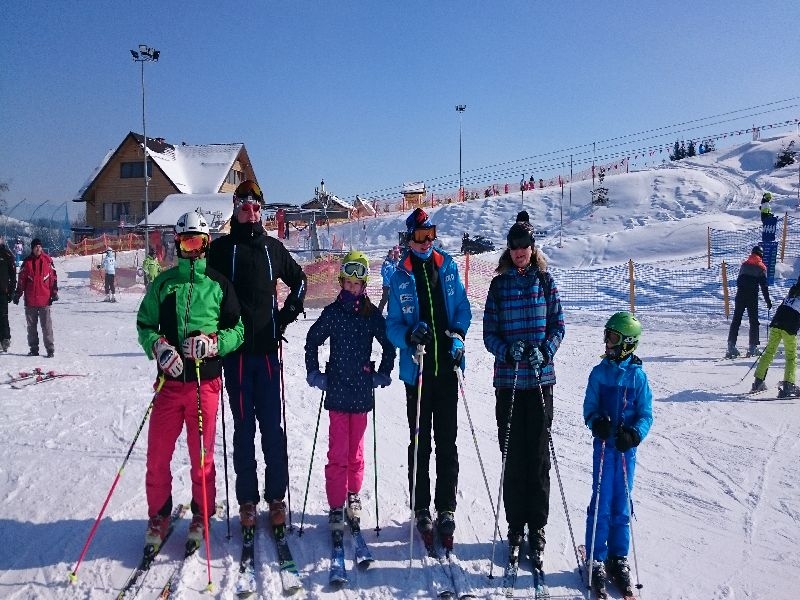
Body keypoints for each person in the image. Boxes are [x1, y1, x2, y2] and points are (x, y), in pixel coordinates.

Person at [136, 210, 244, 553]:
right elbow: (145, 324)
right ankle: (159, 515)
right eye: (185, 242)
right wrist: (157, 346)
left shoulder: (218, 285)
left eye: (197, 242)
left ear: (206, 244)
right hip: (169, 386)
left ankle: (202, 513)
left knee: (202, 458)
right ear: (177, 244)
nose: (191, 249)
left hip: (203, 385)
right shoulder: (164, 284)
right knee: (157, 455)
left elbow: (238, 330)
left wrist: (213, 344)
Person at [207, 179, 307, 536]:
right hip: (234, 356)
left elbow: (300, 281)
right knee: (243, 429)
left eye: (255, 208)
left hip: (266, 354)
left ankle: (276, 498)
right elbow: (202, 289)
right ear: (235, 209)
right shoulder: (220, 249)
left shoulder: (272, 248)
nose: (250, 213)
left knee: (271, 428)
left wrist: (286, 315)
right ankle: (247, 500)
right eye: (244, 207)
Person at [386, 207, 472, 548]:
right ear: (410, 239)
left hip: (446, 370)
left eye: (431, 234)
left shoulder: (447, 266)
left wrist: (458, 336)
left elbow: (463, 308)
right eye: (421, 236)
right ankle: (421, 507)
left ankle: (446, 507)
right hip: (418, 373)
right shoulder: (400, 277)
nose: (426, 242)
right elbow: (392, 325)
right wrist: (409, 336)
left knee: (447, 443)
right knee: (420, 444)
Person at [482, 221, 565, 561]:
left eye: (524, 246)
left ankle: (537, 525)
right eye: (514, 247)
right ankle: (516, 524)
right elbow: (489, 334)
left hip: (540, 381)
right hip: (510, 382)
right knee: (513, 456)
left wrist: (545, 350)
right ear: (509, 249)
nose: (519, 252)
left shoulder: (545, 282)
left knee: (538, 457)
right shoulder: (499, 285)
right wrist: (506, 351)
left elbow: (558, 325)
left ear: (532, 248)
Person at [304, 251, 395, 531]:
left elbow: (388, 344)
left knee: (355, 452)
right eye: (348, 283)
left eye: (357, 284)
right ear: (342, 282)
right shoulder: (333, 313)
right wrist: (314, 373)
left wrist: (383, 373)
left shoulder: (371, 314)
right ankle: (335, 504)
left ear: (364, 285)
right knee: (338, 452)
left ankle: (353, 495)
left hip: (361, 392)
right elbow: (312, 340)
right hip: (337, 391)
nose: (352, 288)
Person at [582, 311, 653, 598]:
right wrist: (596, 421)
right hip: (603, 449)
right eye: (607, 336)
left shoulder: (638, 377)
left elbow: (646, 414)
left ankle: (618, 556)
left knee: (622, 504)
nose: (607, 342)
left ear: (627, 343)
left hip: (625, 452)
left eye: (612, 338)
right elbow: (589, 406)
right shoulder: (599, 373)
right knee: (601, 501)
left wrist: (634, 434)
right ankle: (596, 557)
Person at [751, 280, 800, 397]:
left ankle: (758, 382)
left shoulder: (793, 291)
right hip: (789, 326)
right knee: (791, 356)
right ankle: (789, 385)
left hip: (776, 322)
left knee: (769, 352)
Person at [13, 239, 58, 358]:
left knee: (46, 326)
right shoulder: (27, 262)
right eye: (36, 247)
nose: (38, 248)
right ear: (32, 248)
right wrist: (18, 294)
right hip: (30, 300)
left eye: (39, 246)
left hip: (45, 299)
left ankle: (50, 349)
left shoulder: (48, 260)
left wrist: (54, 292)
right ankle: (34, 348)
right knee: (31, 327)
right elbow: (21, 281)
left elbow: (53, 278)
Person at [726, 246, 771, 358]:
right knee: (754, 321)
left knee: (736, 320)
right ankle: (752, 347)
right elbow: (764, 286)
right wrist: (768, 301)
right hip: (752, 296)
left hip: (740, 295)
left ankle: (731, 346)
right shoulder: (761, 267)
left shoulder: (744, 264)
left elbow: (739, 280)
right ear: (761, 255)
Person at [0, 239, 16, 352]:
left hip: (2, 291)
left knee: (3, 315)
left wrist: (11, 290)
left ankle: (5, 339)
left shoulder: (6, 254)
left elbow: (13, 275)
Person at [376, 246, 399, 314]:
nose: (392, 256)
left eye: (393, 255)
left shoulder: (394, 263)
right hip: (387, 285)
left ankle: (390, 313)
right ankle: (378, 312)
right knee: (384, 299)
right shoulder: (386, 263)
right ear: (389, 254)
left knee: (391, 300)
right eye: (391, 254)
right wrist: (388, 281)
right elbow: (383, 273)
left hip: (393, 285)